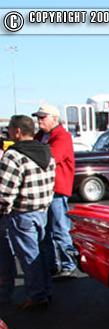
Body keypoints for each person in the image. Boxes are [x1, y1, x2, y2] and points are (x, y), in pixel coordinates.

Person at [0, 115, 56, 310]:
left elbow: (5, 192)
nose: (7, 132)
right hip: (43, 210)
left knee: (29, 256)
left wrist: (3, 210)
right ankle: (45, 290)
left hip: (22, 213)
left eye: (9, 128)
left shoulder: (13, 155)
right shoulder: (47, 152)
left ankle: (36, 296)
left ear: (17, 131)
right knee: (41, 253)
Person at [33, 104, 78, 278]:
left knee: (59, 228)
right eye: (38, 117)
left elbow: (51, 158)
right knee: (44, 231)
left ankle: (68, 264)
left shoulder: (62, 136)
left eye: (42, 117)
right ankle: (51, 264)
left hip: (57, 189)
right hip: (43, 189)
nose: (39, 121)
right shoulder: (40, 136)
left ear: (54, 118)